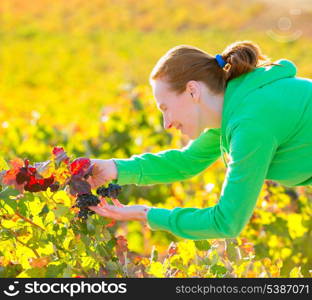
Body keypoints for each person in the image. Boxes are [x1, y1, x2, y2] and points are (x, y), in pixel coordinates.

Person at [88, 40, 312, 240]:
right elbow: (186, 162)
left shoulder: (250, 122)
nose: (166, 124)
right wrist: (113, 168)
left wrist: (145, 214)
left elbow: (226, 222)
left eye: (165, 108)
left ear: (193, 91)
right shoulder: (237, 107)